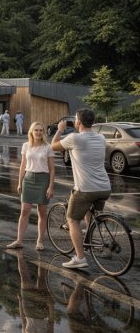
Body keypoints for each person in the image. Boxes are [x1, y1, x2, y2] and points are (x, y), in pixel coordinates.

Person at [51, 108, 111, 269]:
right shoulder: (101, 137)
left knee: (72, 220)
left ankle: (80, 258)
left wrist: (59, 130)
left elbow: (53, 146)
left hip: (85, 188)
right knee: (89, 212)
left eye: (76, 120)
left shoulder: (74, 138)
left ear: (78, 122)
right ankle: (90, 240)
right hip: (104, 187)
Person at [7, 121, 55, 250]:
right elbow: (22, 166)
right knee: (24, 211)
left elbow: (52, 169)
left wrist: (51, 186)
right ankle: (19, 241)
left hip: (43, 180)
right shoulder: (26, 146)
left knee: (42, 212)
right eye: (36, 130)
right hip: (28, 180)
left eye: (41, 130)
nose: (38, 132)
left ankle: (40, 242)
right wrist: (19, 182)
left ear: (43, 132)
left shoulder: (48, 147)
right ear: (31, 132)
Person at [14, 252, 54, 333]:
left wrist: (20, 301)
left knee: (24, 276)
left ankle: (20, 255)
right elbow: (51, 321)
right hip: (42, 309)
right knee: (42, 278)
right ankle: (43, 255)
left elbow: (22, 318)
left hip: (28, 308)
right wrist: (51, 305)